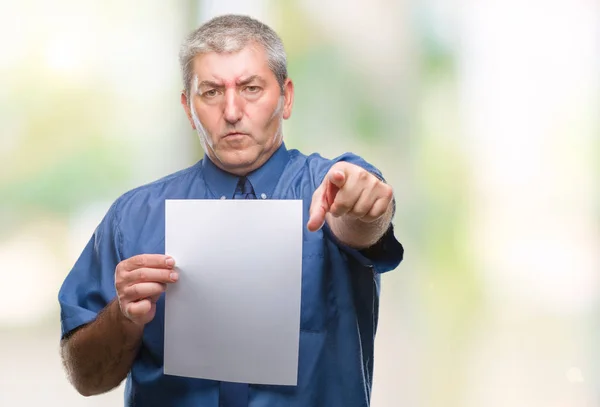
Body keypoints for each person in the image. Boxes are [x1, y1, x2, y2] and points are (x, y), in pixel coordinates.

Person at [58, 14, 403, 407]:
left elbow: (362, 223)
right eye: (211, 92)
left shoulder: (332, 185)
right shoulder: (131, 219)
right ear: (188, 108)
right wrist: (123, 317)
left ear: (286, 97)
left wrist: (367, 207)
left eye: (251, 88)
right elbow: (85, 378)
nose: (233, 111)